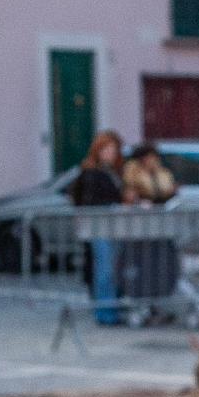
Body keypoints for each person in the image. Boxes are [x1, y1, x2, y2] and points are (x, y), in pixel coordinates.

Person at [68, 130, 128, 325]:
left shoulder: (115, 172)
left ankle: (112, 307)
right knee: (105, 269)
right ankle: (105, 312)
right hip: (99, 227)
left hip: (114, 226)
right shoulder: (91, 172)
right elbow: (86, 199)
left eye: (113, 150)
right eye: (107, 149)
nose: (111, 153)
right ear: (98, 151)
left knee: (113, 268)